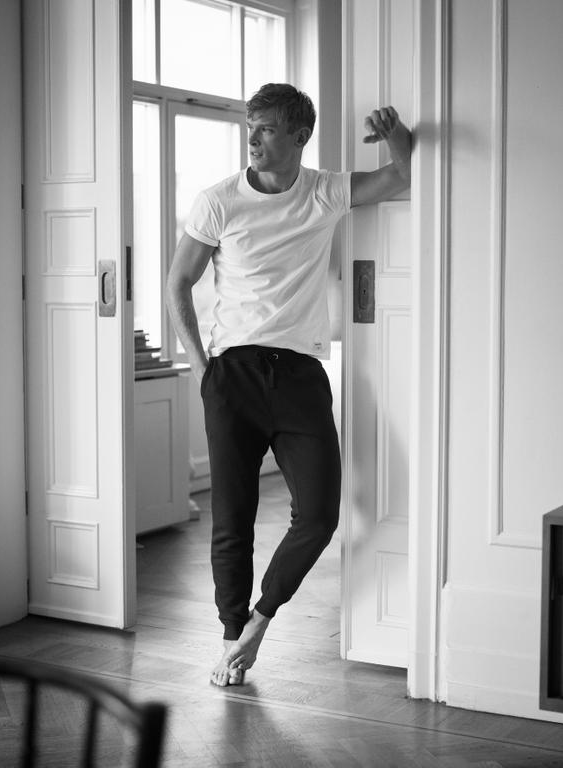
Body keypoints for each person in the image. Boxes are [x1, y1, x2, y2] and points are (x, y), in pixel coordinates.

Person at [166, 83, 411, 687]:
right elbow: (177, 284)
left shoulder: (323, 191)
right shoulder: (218, 201)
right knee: (233, 520)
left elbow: (400, 177)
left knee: (320, 515)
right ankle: (231, 641)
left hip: (301, 376)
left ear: (300, 136)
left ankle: (259, 619)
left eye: (267, 128)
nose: (253, 139)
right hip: (233, 375)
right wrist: (201, 370)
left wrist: (399, 137)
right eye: (250, 126)